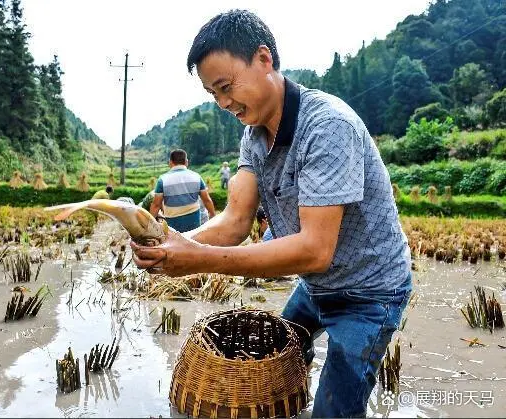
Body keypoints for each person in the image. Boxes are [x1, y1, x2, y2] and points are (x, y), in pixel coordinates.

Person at [132, 10, 411, 418]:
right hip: (316, 285)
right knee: (277, 362)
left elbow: (315, 250)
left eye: (226, 87)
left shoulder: (327, 125)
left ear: (264, 59)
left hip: (368, 291)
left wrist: (195, 260)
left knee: (336, 407)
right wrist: (171, 244)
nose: (224, 103)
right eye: (213, 94)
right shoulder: (253, 134)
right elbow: (235, 221)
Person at [149, 149, 216, 233]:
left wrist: (150, 224)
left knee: (175, 244)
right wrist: (213, 215)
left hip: (172, 223)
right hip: (194, 221)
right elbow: (206, 200)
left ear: (170, 162)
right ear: (186, 162)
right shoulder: (196, 177)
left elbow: (156, 205)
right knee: (192, 243)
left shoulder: (162, 180)